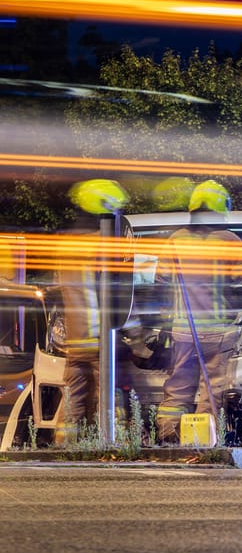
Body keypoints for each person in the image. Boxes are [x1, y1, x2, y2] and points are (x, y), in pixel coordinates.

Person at [153, 180, 242, 443]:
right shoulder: (230, 241)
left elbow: (161, 282)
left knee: (177, 390)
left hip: (183, 330)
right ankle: (202, 442)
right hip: (218, 332)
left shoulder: (176, 240)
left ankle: (168, 436)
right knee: (211, 391)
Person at [56, 179, 127, 445]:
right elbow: (116, 291)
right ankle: (113, 442)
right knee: (109, 397)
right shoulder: (101, 242)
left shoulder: (66, 243)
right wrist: (137, 336)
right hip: (99, 338)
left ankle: (65, 446)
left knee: (73, 399)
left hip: (74, 340)